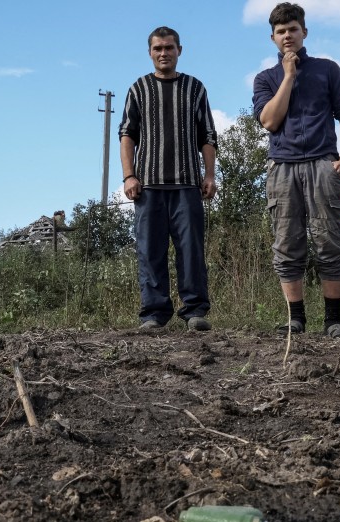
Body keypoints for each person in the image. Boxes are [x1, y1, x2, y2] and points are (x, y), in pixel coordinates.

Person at [252, 2, 340, 339]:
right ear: (273, 37)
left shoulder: (328, 69)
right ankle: (295, 318)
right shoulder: (266, 78)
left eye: (293, 29)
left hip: (322, 163)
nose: (287, 36)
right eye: (281, 32)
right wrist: (288, 75)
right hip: (282, 167)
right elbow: (269, 120)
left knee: (329, 241)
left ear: (304, 32)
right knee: (286, 243)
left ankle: (333, 320)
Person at [119, 26, 218, 332]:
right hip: (148, 187)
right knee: (150, 251)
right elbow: (127, 135)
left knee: (191, 251)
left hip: (187, 184)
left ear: (179, 50)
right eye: (158, 48)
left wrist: (210, 174)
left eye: (169, 48)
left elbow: (208, 136)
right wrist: (129, 176)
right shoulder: (139, 88)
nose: (164, 53)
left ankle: (195, 312)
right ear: (150, 53)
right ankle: (154, 313)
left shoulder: (195, 88)